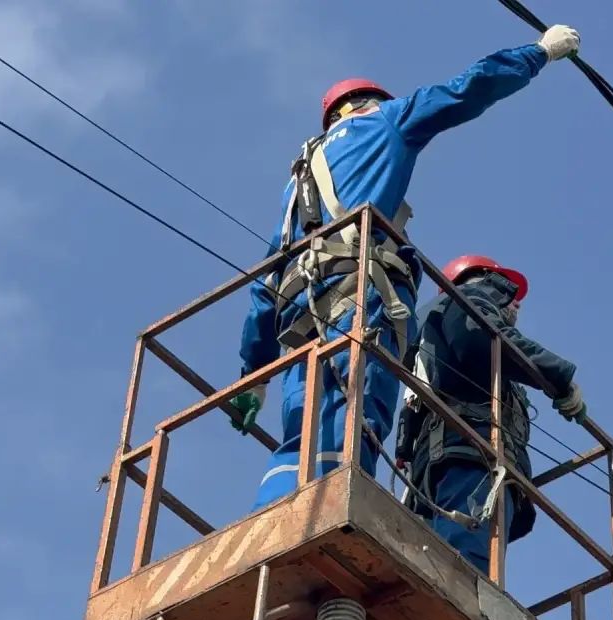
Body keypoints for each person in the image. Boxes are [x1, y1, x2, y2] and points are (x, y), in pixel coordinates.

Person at [231, 26, 583, 511]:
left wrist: (254, 375)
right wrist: (539, 53)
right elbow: (467, 89)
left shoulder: (298, 180)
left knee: (301, 429)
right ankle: (332, 518)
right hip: (358, 298)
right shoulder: (385, 122)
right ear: (369, 102)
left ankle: (273, 518)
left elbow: (268, 278)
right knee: (353, 416)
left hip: (299, 318)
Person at [395, 255, 586, 574]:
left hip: (451, 458)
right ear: (484, 279)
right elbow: (480, 338)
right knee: (462, 572)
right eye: (509, 292)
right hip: (471, 455)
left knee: (446, 565)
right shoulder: (468, 300)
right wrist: (559, 378)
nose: (517, 304)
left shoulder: (434, 331)